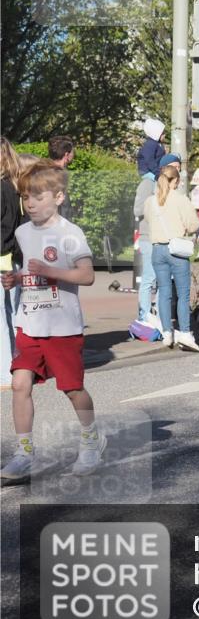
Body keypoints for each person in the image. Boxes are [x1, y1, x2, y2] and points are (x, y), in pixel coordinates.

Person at [0, 160, 103, 480]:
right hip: (29, 323)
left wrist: (51, 271)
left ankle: (91, 440)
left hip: (62, 327)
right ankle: (24, 453)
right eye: (25, 197)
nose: (30, 203)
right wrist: (16, 279)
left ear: (58, 197)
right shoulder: (22, 232)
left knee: (73, 389)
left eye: (38, 197)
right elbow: (30, 271)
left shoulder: (70, 233)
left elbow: (87, 276)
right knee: (20, 384)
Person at [145, 163, 199, 352]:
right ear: (175, 180)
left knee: (164, 292)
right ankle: (185, 332)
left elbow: (148, 220)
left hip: (157, 250)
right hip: (176, 249)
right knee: (183, 294)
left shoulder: (150, 201)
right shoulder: (180, 199)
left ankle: (167, 332)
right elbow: (193, 225)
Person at [133, 154, 175, 327]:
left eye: (179, 167)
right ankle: (144, 317)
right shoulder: (148, 184)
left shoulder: (172, 187)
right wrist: (156, 204)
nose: (177, 170)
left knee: (162, 279)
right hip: (148, 237)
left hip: (164, 237)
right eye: (174, 167)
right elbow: (137, 210)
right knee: (149, 278)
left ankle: (159, 315)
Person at [1, 137, 23, 388]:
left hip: (2, 257)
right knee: (14, 314)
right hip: (14, 257)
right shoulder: (16, 187)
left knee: (2, 316)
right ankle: (22, 366)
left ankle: (6, 373)